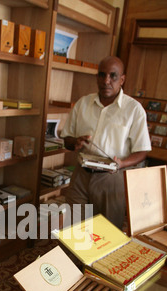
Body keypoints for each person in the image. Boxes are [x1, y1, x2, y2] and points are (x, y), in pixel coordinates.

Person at [61, 55, 151, 229]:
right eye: (102, 75)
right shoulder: (83, 104)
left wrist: (122, 163)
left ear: (122, 79)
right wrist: (75, 142)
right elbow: (67, 140)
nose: (106, 81)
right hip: (81, 175)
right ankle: (73, 257)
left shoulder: (134, 110)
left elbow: (142, 150)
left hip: (111, 178)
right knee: (73, 230)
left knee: (106, 234)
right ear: (97, 77)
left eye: (113, 76)